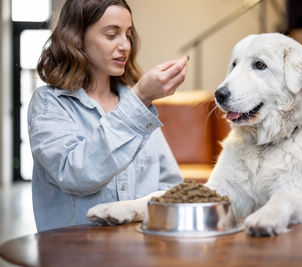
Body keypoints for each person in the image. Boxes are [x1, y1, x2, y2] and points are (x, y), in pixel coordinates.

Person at [28, 0, 188, 232]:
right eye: (112, 34)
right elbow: (75, 173)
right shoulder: (49, 104)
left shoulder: (135, 104)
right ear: (77, 38)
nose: (125, 45)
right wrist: (140, 98)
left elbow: (171, 185)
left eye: (128, 35)